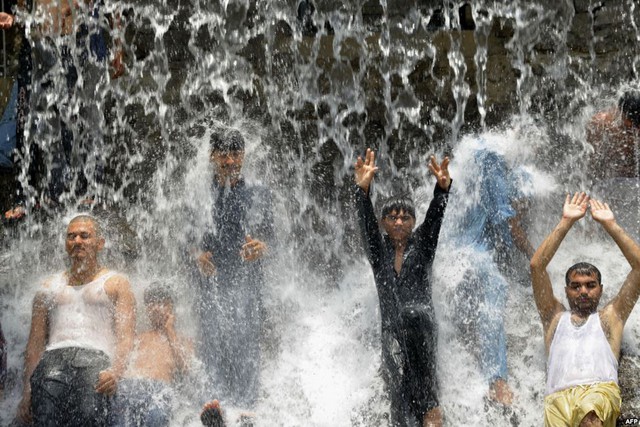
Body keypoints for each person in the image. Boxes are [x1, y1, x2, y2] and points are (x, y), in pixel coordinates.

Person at [354, 148, 451, 427]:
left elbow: (435, 222)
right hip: (393, 334)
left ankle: (431, 412)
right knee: (398, 397)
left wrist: (441, 190)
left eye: (405, 217)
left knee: (413, 316)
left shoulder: (423, 247)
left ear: (413, 222)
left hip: (421, 329)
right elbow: (366, 226)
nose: (398, 221)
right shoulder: (378, 252)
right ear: (384, 223)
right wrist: (362, 191)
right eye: (392, 217)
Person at [530, 192, 640, 427]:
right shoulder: (554, 317)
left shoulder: (611, 317)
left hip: (598, 392)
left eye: (590, 286)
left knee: (590, 420)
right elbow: (537, 266)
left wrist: (610, 225)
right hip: (556, 399)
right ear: (566, 290)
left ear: (601, 289)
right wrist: (566, 221)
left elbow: (639, 268)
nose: (583, 291)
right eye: (576, 286)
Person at [16, 214, 135, 425]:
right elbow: (34, 344)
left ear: (100, 243)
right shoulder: (47, 287)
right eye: (71, 236)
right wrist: (26, 392)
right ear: (65, 244)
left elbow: (126, 337)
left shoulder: (117, 283)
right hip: (53, 359)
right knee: (45, 419)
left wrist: (116, 372)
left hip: (96, 359)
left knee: (89, 418)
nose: (77, 241)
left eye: (84, 236)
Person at [193, 128, 273, 410]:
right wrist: (196, 255)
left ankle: (247, 409)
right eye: (223, 154)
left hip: (246, 280)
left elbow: (270, 237)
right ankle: (214, 407)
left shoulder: (258, 191)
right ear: (212, 156)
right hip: (210, 282)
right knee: (212, 340)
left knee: (245, 339)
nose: (229, 161)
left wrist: (261, 247)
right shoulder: (200, 192)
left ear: (244, 155)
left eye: (235, 154)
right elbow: (184, 240)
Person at [451, 148, 534, 407]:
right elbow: (509, 222)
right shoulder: (493, 165)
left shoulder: (483, 163)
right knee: (494, 289)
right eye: (521, 202)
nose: (523, 207)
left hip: (459, 255)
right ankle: (497, 381)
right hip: (469, 255)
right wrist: (538, 258)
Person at [112, 285, 193, 427]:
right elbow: (122, 359)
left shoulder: (181, 340)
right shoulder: (139, 337)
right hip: (130, 385)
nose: (155, 308)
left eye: (161, 303)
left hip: (159, 389)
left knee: (156, 420)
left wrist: (170, 330)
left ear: (171, 307)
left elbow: (186, 368)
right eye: (151, 303)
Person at [587, 91, 640, 239]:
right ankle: (591, 243)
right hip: (607, 181)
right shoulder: (601, 124)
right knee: (596, 198)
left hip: (634, 180)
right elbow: (592, 161)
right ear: (621, 113)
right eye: (630, 123)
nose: (635, 129)